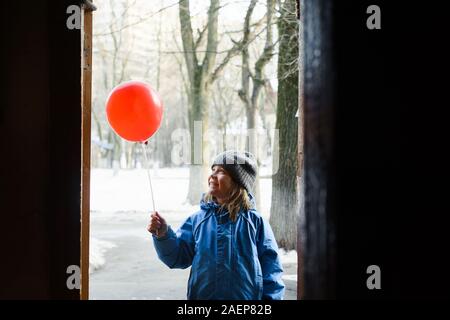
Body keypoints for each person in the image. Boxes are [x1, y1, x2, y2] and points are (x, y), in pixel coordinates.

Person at [147, 150, 285, 300]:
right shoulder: (197, 220)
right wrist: (163, 235)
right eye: (213, 169)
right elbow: (177, 257)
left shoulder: (255, 222)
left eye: (221, 171)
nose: (212, 175)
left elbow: (272, 271)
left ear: (237, 182)